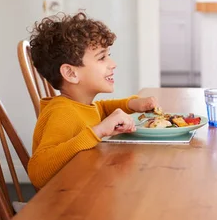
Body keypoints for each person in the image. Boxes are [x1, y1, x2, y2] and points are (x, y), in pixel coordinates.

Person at [27, 12, 159, 189]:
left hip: (82, 189)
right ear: (71, 73)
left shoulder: (80, 104)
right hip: (63, 207)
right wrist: (97, 132)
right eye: (102, 57)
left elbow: (99, 109)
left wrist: (131, 104)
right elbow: (38, 172)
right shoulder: (61, 113)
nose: (113, 64)